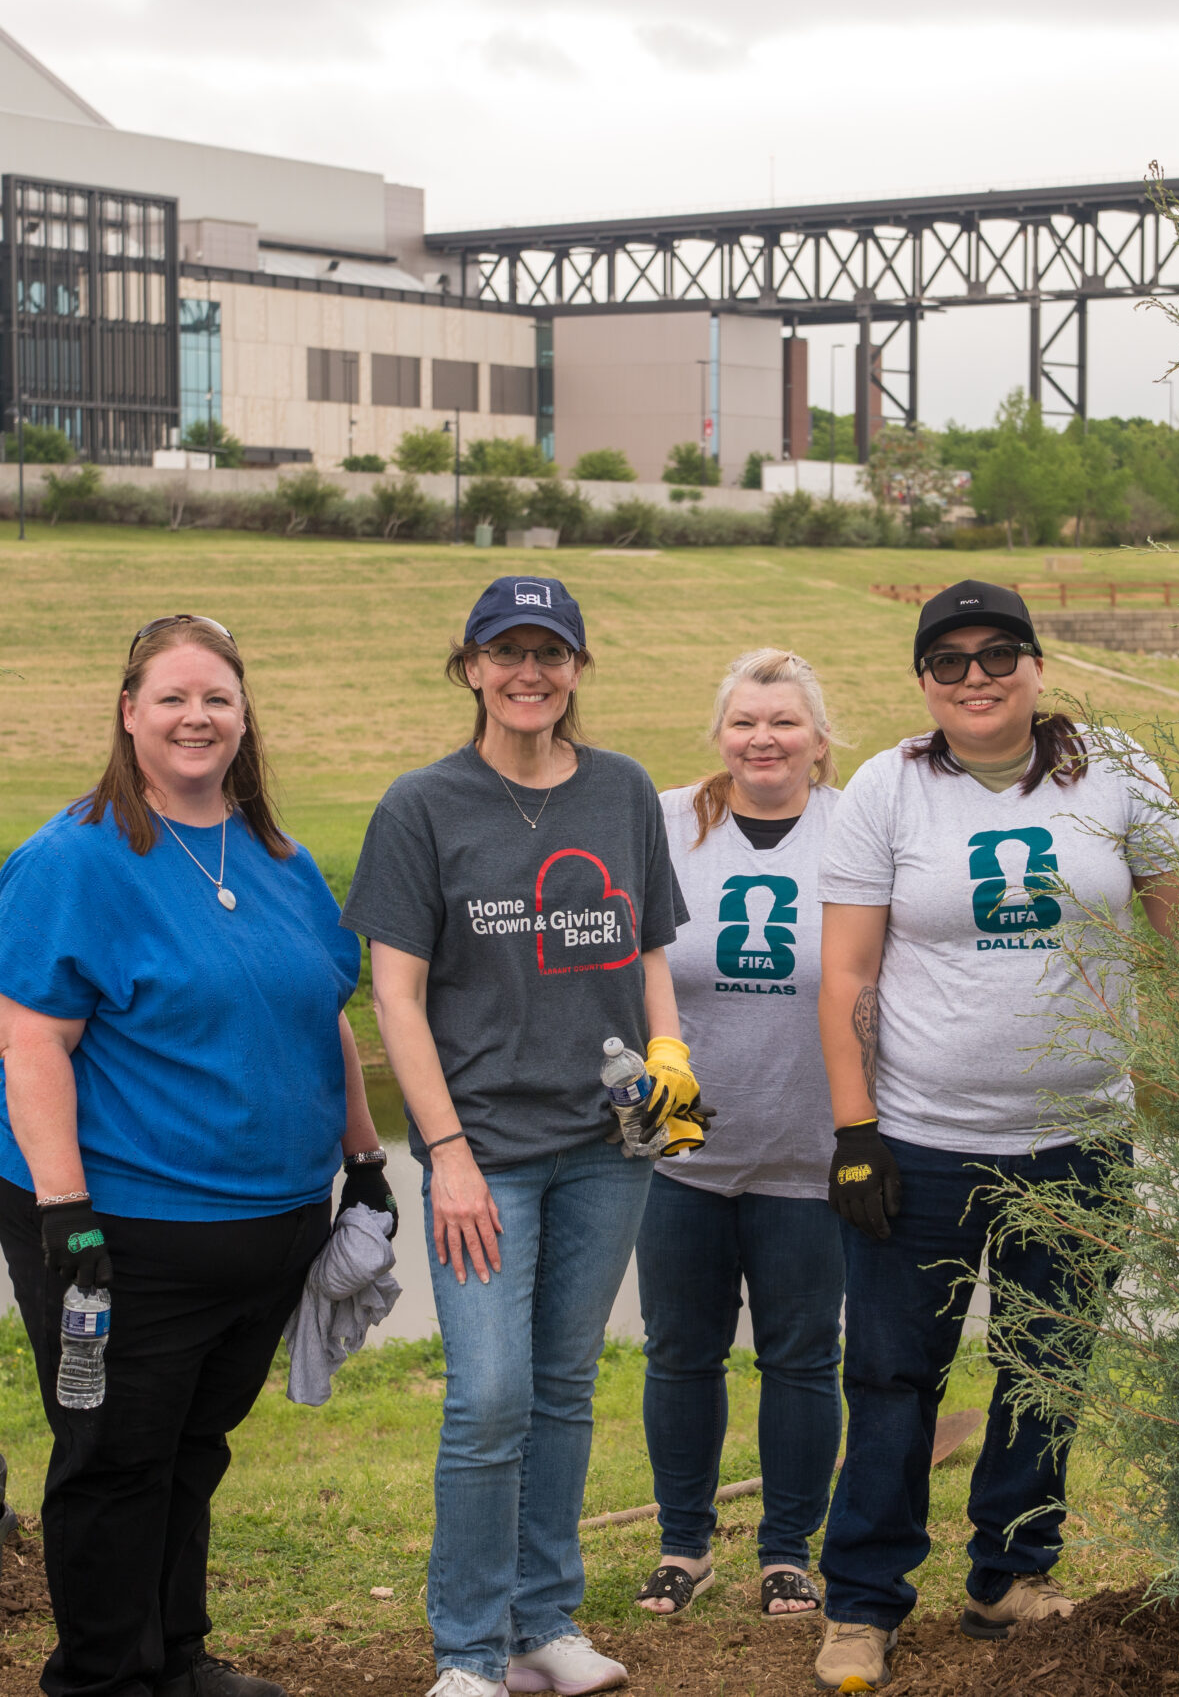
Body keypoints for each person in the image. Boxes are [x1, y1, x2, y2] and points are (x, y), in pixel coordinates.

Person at [808, 580, 1179, 1691]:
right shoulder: (887, 787)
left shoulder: (1115, 769)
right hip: (921, 1141)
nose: (975, 678)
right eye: (949, 661)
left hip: (1080, 1138)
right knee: (892, 1375)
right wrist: (854, 1131)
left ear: (1036, 665)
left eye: (998, 655)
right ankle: (863, 1601)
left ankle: (1011, 1577)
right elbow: (846, 973)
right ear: (922, 679)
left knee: (1046, 1366)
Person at [0, 614, 387, 1697]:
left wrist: (366, 1161)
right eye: (172, 697)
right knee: (117, 1459)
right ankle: (103, 1678)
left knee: (193, 1447)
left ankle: (176, 1660)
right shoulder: (73, 859)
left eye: (217, 697)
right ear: (129, 712)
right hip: (122, 1229)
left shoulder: (281, 860)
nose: (196, 717)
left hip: (268, 1227)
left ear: (245, 716)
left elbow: (322, 1014)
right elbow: (31, 1044)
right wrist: (66, 1213)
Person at [342, 576, 698, 1697]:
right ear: (471, 667)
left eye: (550, 652)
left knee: (562, 1387)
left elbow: (647, 949)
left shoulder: (623, 789)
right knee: (489, 1396)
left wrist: (670, 1057)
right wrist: (445, 1153)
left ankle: (543, 1622)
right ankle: (467, 1651)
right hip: (485, 1149)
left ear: (578, 668)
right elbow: (394, 997)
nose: (529, 672)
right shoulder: (422, 806)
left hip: (610, 1145)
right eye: (507, 652)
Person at [634, 650, 846, 1621]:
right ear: (719, 734)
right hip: (680, 1148)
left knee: (802, 1356)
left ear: (819, 738)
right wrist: (636, 1097)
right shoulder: (666, 821)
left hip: (812, 1145)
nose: (764, 739)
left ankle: (786, 1554)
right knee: (680, 1350)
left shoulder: (853, 826)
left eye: (784, 721)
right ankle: (684, 1545)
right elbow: (615, 956)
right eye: (745, 721)